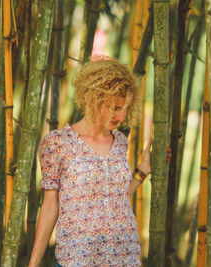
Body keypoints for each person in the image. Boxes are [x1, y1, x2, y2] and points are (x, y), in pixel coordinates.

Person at [28, 57, 154, 267]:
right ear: (93, 98)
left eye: (125, 108)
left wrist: (142, 171)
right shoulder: (58, 143)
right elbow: (51, 205)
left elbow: (114, 195)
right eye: (114, 107)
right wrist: (33, 263)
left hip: (124, 256)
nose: (122, 116)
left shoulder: (121, 142)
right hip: (78, 258)